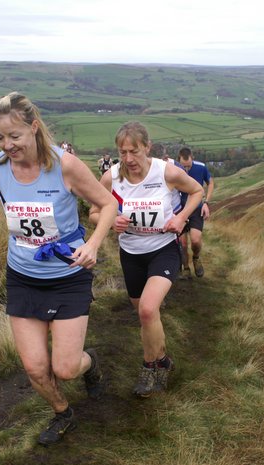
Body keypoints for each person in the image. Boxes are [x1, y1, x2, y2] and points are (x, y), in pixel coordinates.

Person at [0, 92, 117, 446]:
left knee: (65, 368)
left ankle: (90, 364)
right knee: (35, 368)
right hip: (23, 278)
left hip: (68, 276)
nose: (7, 145)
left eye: (14, 136)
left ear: (34, 128)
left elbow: (108, 204)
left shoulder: (65, 166)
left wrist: (93, 245)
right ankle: (63, 413)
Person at [90, 122, 203, 397]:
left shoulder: (166, 172)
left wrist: (181, 217)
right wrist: (110, 220)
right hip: (131, 253)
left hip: (163, 249)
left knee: (148, 310)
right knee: (146, 316)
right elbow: (94, 212)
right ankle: (163, 360)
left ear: (147, 147)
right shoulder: (111, 178)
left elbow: (197, 191)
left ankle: (149, 367)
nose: (128, 159)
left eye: (135, 151)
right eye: (123, 152)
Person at [176, 147, 215, 278]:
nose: (186, 169)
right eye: (184, 166)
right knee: (182, 243)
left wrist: (206, 203)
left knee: (195, 240)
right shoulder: (174, 169)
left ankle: (196, 258)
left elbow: (210, 183)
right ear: (179, 161)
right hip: (180, 209)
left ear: (192, 158)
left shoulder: (201, 167)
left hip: (196, 208)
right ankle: (186, 269)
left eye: (188, 166)